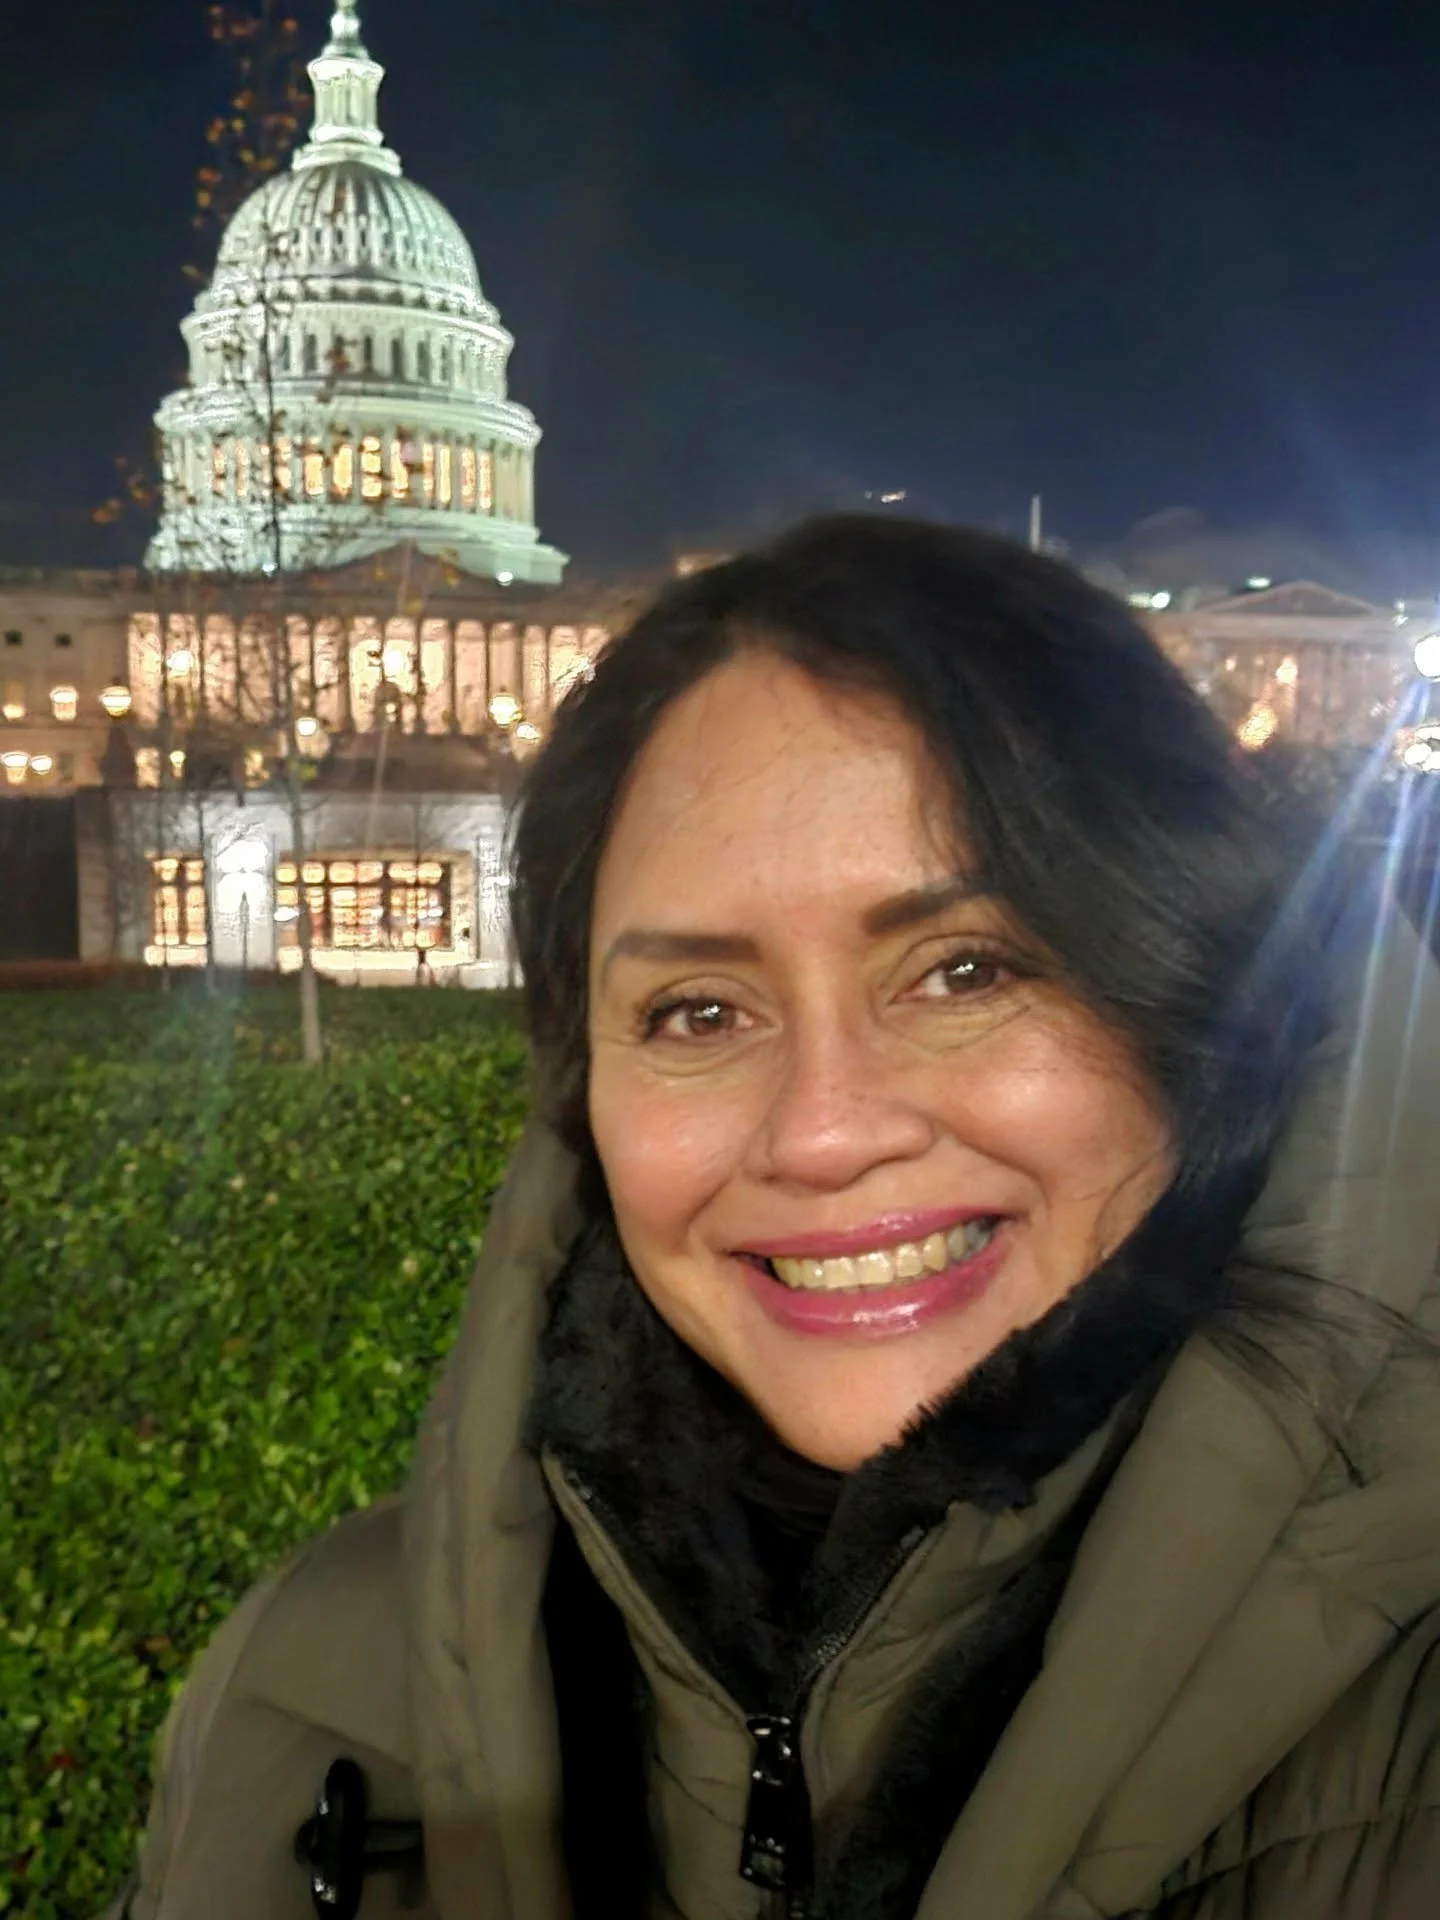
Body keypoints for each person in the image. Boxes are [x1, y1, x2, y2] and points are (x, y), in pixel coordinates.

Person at [104, 517, 1440, 1920]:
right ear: (582, 1092)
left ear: (1204, 1004)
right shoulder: (301, 1688)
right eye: (699, 1011)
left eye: (965, 970)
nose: (822, 1129)